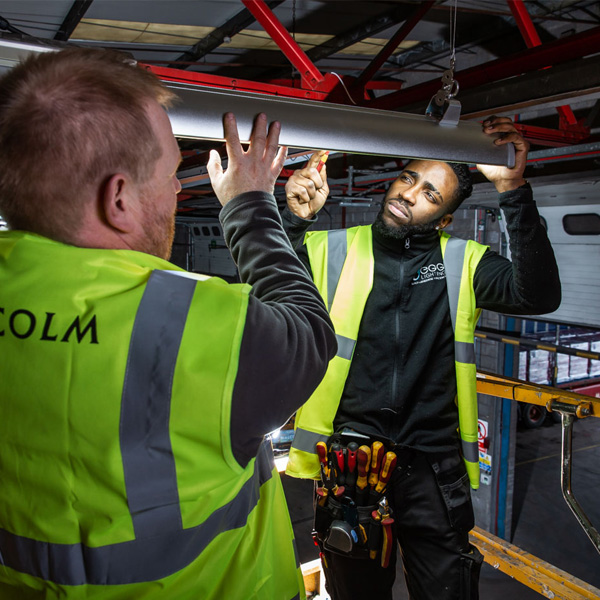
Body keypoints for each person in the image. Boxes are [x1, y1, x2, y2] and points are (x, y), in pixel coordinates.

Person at [0, 47, 337, 599]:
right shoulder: (199, 325)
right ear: (119, 200)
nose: (180, 190)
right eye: (171, 174)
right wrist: (251, 203)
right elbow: (309, 332)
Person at [283, 119, 561, 600]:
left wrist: (512, 190)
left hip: (434, 470)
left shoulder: (464, 262)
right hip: (352, 465)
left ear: (444, 218)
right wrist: (293, 219)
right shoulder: (329, 248)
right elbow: (264, 280)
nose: (410, 194)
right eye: (409, 178)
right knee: (355, 593)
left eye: (431, 194)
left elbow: (537, 293)